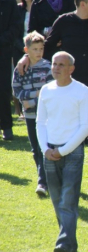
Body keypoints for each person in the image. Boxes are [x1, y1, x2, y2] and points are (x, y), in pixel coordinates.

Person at [36, 51, 88, 252]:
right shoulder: (46, 90)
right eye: (54, 64)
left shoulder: (82, 91)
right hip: (49, 151)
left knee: (68, 199)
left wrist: (63, 150)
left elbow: (85, 127)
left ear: (71, 69)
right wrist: (46, 150)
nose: (56, 68)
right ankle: (70, 243)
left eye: (61, 65)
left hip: (73, 152)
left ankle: (62, 244)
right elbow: (40, 123)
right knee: (57, 199)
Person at [19, 0, 88, 96]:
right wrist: (27, 57)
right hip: (69, 80)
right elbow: (47, 47)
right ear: (83, 4)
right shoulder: (63, 22)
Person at [12, 31, 53, 195]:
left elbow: (49, 92)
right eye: (35, 49)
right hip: (30, 116)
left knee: (46, 147)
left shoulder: (48, 67)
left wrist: (34, 100)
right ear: (26, 50)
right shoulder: (21, 68)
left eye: (41, 49)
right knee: (35, 149)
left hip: (46, 116)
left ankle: (43, 182)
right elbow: (16, 90)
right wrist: (33, 96)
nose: (38, 52)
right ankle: (43, 177)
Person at [0, 0, 22, 140]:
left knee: (3, 90)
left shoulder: (9, 3)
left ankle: (6, 126)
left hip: (3, 53)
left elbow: (15, 28)